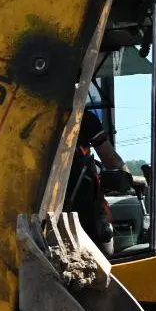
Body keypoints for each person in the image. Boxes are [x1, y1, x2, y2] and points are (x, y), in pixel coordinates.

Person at [68, 108, 133, 256]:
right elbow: (110, 158)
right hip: (84, 209)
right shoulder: (81, 117)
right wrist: (127, 177)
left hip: (44, 210)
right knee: (106, 250)